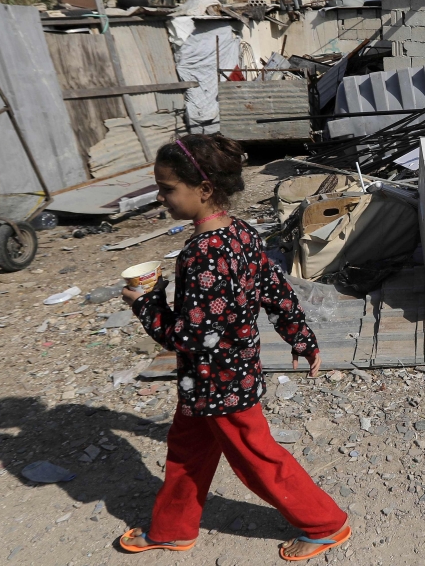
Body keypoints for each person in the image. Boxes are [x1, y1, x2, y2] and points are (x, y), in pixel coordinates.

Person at [117, 134, 350, 561]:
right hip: (211, 380)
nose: (161, 197)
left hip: (220, 384)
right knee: (187, 451)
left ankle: (326, 524)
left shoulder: (204, 254)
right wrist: (301, 337)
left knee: (256, 459)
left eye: (168, 188)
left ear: (204, 189)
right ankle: (173, 528)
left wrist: (146, 304)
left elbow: (189, 337)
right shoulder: (240, 233)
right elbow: (275, 289)